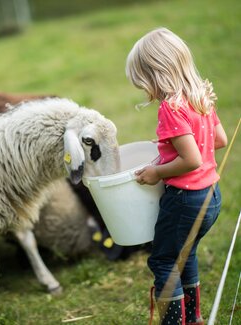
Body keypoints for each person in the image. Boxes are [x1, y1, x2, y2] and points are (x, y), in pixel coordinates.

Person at [125, 27, 228, 325]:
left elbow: (191, 159)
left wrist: (157, 171)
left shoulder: (170, 108)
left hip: (185, 200)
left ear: (157, 74)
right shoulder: (200, 98)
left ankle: (174, 322)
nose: (147, 91)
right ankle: (193, 318)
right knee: (186, 254)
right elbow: (219, 141)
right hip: (211, 196)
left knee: (163, 260)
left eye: (144, 82)